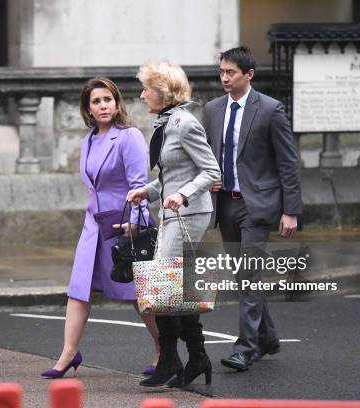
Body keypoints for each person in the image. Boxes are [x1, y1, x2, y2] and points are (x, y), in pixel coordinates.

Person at [41, 77, 160, 379]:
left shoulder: (129, 136)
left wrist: (135, 222)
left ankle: (164, 348)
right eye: (96, 101)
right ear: (88, 109)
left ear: (117, 103)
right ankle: (69, 352)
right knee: (78, 289)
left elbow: (138, 185)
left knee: (138, 294)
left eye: (108, 99)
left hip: (125, 225)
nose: (103, 105)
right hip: (94, 226)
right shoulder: (89, 140)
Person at [204, 46, 302, 371]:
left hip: (256, 205)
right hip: (226, 205)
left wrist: (291, 211)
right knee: (245, 277)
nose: (224, 78)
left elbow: (288, 162)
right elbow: (208, 156)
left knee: (249, 274)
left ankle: (245, 348)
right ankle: (268, 337)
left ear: (249, 75)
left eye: (230, 72)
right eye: (221, 72)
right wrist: (209, 181)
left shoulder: (270, 110)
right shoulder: (214, 109)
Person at [127, 62, 220, 387]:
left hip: (190, 214)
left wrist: (181, 195)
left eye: (147, 89)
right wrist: (148, 191)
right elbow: (171, 175)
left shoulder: (184, 123)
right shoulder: (167, 122)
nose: (142, 95)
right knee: (177, 287)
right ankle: (195, 357)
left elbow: (211, 171)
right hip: (173, 213)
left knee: (163, 286)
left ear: (164, 92)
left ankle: (171, 360)